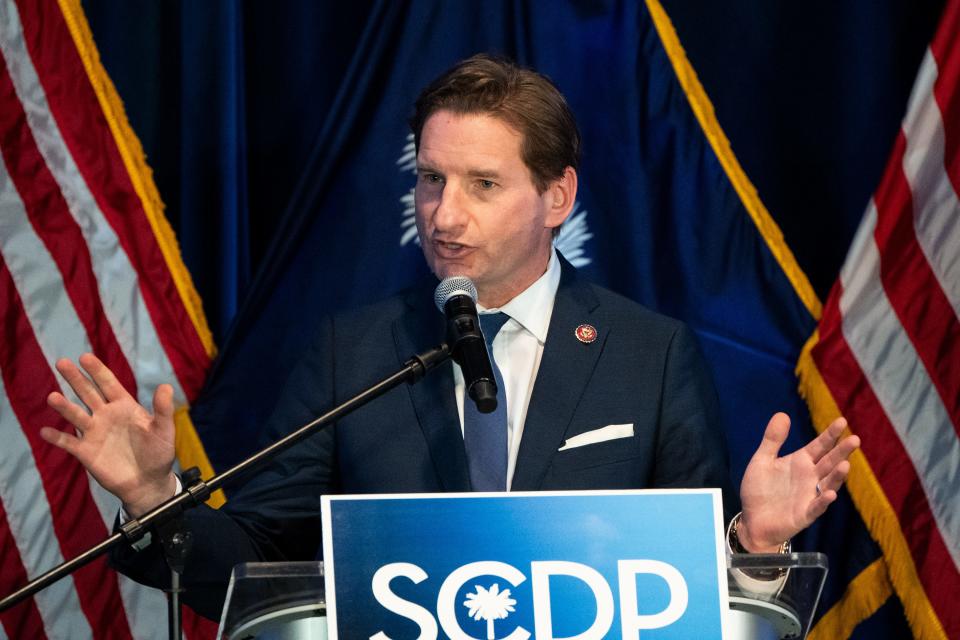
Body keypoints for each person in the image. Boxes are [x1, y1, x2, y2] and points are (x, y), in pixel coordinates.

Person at [40, 54, 858, 620]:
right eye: (431, 179)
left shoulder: (650, 354)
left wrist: (753, 540)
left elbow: (687, 589)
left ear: (557, 196)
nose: (444, 214)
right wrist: (151, 499)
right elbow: (254, 569)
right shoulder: (349, 355)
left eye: (483, 184)